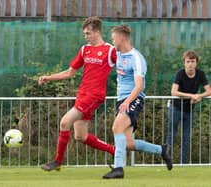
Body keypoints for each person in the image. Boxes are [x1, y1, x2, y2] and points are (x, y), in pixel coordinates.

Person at [38, 16, 117, 171]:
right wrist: (49, 77)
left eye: (88, 33)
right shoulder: (84, 50)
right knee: (80, 136)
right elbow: (69, 72)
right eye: (84, 34)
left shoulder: (110, 50)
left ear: (97, 32)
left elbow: (124, 65)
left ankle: (57, 162)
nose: (86, 36)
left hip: (94, 96)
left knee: (64, 122)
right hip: (82, 94)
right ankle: (114, 151)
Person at [102, 25, 173, 179]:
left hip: (134, 99)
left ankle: (118, 168)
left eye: (114, 38)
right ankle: (162, 150)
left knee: (116, 127)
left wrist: (127, 101)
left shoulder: (136, 58)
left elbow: (139, 85)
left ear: (122, 38)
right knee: (128, 143)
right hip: (123, 100)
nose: (112, 41)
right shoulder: (118, 54)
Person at [166, 50, 211, 164]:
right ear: (184, 63)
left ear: (196, 63)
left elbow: (209, 91)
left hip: (189, 110)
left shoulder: (200, 74)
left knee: (186, 138)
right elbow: (173, 92)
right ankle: (167, 161)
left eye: (193, 61)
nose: (190, 64)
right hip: (175, 108)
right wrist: (191, 95)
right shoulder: (180, 73)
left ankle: (183, 164)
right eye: (188, 61)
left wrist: (199, 96)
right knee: (171, 136)